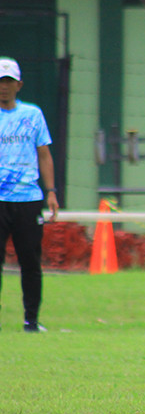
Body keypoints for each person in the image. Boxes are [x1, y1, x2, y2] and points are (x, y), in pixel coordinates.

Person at [0, 57, 59, 333]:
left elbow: (44, 154)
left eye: (8, 82)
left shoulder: (33, 115)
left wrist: (51, 192)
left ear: (19, 84)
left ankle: (31, 320)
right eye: (0, 82)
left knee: (30, 262)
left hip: (27, 198)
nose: (4, 87)